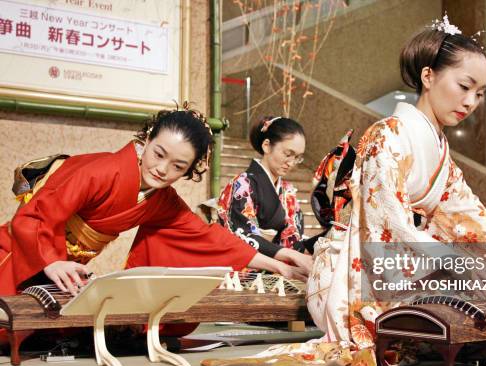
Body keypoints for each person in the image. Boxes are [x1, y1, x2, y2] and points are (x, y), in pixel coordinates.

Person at [202, 15, 486, 366]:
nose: (471, 101)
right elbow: (389, 228)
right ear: (429, 76)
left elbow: (478, 221)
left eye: (481, 93)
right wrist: (458, 264)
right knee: (475, 278)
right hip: (355, 270)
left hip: (409, 259)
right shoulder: (387, 136)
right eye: (465, 86)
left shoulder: (438, 151)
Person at [0, 104, 308, 300]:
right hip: (22, 254)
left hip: (63, 271)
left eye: (178, 166)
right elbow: (36, 216)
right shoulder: (100, 170)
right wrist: (52, 260)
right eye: (159, 154)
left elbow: (208, 238)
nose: (162, 170)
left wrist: (277, 264)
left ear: (190, 169)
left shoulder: (162, 201)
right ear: (146, 140)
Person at [217, 116, 315, 273]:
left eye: (297, 157)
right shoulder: (243, 184)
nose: (291, 162)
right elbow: (242, 236)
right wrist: (290, 255)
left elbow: (292, 240)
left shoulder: (288, 191)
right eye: (288, 153)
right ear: (267, 146)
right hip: (246, 269)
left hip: (276, 274)